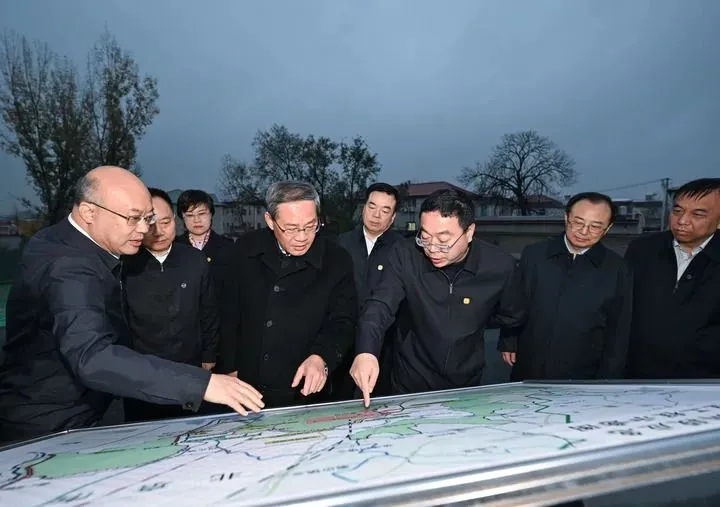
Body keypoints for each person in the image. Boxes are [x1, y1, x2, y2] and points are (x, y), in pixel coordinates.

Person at [0, 166, 263, 443]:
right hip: (47, 422)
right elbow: (92, 356)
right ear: (89, 212)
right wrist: (202, 384)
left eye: (147, 218)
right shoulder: (70, 266)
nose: (144, 229)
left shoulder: (60, 239)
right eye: (133, 218)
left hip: (66, 409)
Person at [350, 189, 526, 406]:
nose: (432, 249)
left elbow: (512, 314)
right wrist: (366, 351)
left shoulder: (500, 266)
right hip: (410, 379)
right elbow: (379, 305)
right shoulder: (405, 254)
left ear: (469, 232)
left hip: (465, 383)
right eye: (424, 237)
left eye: (443, 240)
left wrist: (480, 321)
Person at [218, 180, 358, 408]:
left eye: (311, 226)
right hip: (247, 385)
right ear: (270, 221)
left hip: (305, 389)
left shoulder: (337, 259)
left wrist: (321, 357)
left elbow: (343, 321)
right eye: (291, 228)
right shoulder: (243, 250)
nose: (302, 237)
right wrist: (229, 369)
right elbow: (228, 313)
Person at [498, 192, 633, 381]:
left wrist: (609, 377)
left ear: (608, 228)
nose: (584, 232)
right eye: (577, 222)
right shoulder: (535, 254)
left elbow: (619, 329)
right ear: (566, 218)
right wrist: (509, 339)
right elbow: (516, 302)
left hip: (583, 371)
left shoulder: (617, 268)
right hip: (531, 360)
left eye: (595, 226)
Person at [122, 188, 220, 422]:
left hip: (190, 368)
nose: (159, 231)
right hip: (142, 372)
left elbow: (208, 311)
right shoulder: (125, 265)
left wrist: (209, 354)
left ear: (175, 220)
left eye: (166, 222)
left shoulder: (195, 260)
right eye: (151, 223)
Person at [624, 178, 720, 379]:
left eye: (698, 214)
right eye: (677, 211)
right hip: (636, 377)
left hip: (702, 382)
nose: (682, 221)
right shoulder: (642, 250)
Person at [335, 182, 404, 399]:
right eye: (372, 207)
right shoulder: (341, 244)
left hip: (386, 343)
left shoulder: (402, 250)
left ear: (393, 217)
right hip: (344, 340)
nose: (376, 215)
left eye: (385, 210)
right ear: (363, 208)